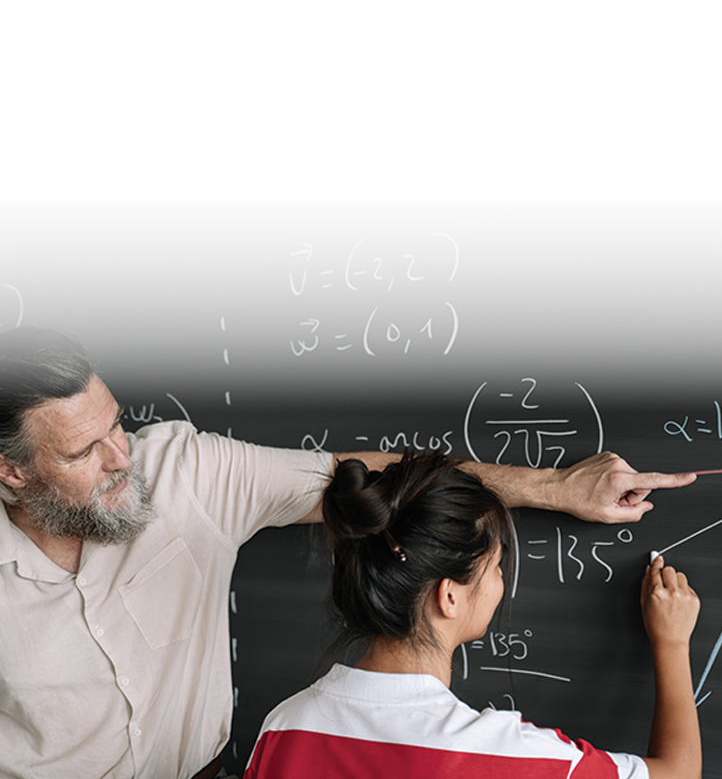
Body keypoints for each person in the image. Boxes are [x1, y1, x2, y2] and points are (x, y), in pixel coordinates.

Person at [0, 326, 696, 779]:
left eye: (118, 423)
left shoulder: (187, 475)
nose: (124, 456)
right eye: (86, 451)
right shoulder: (503, 753)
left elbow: (368, 480)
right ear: (13, 470)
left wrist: (555, 486)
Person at [244, 453, 702, 779]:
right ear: (450, 597)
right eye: (496, 566)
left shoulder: (284, 728)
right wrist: (672, 642)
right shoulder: (507, 755)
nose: (501, 582)